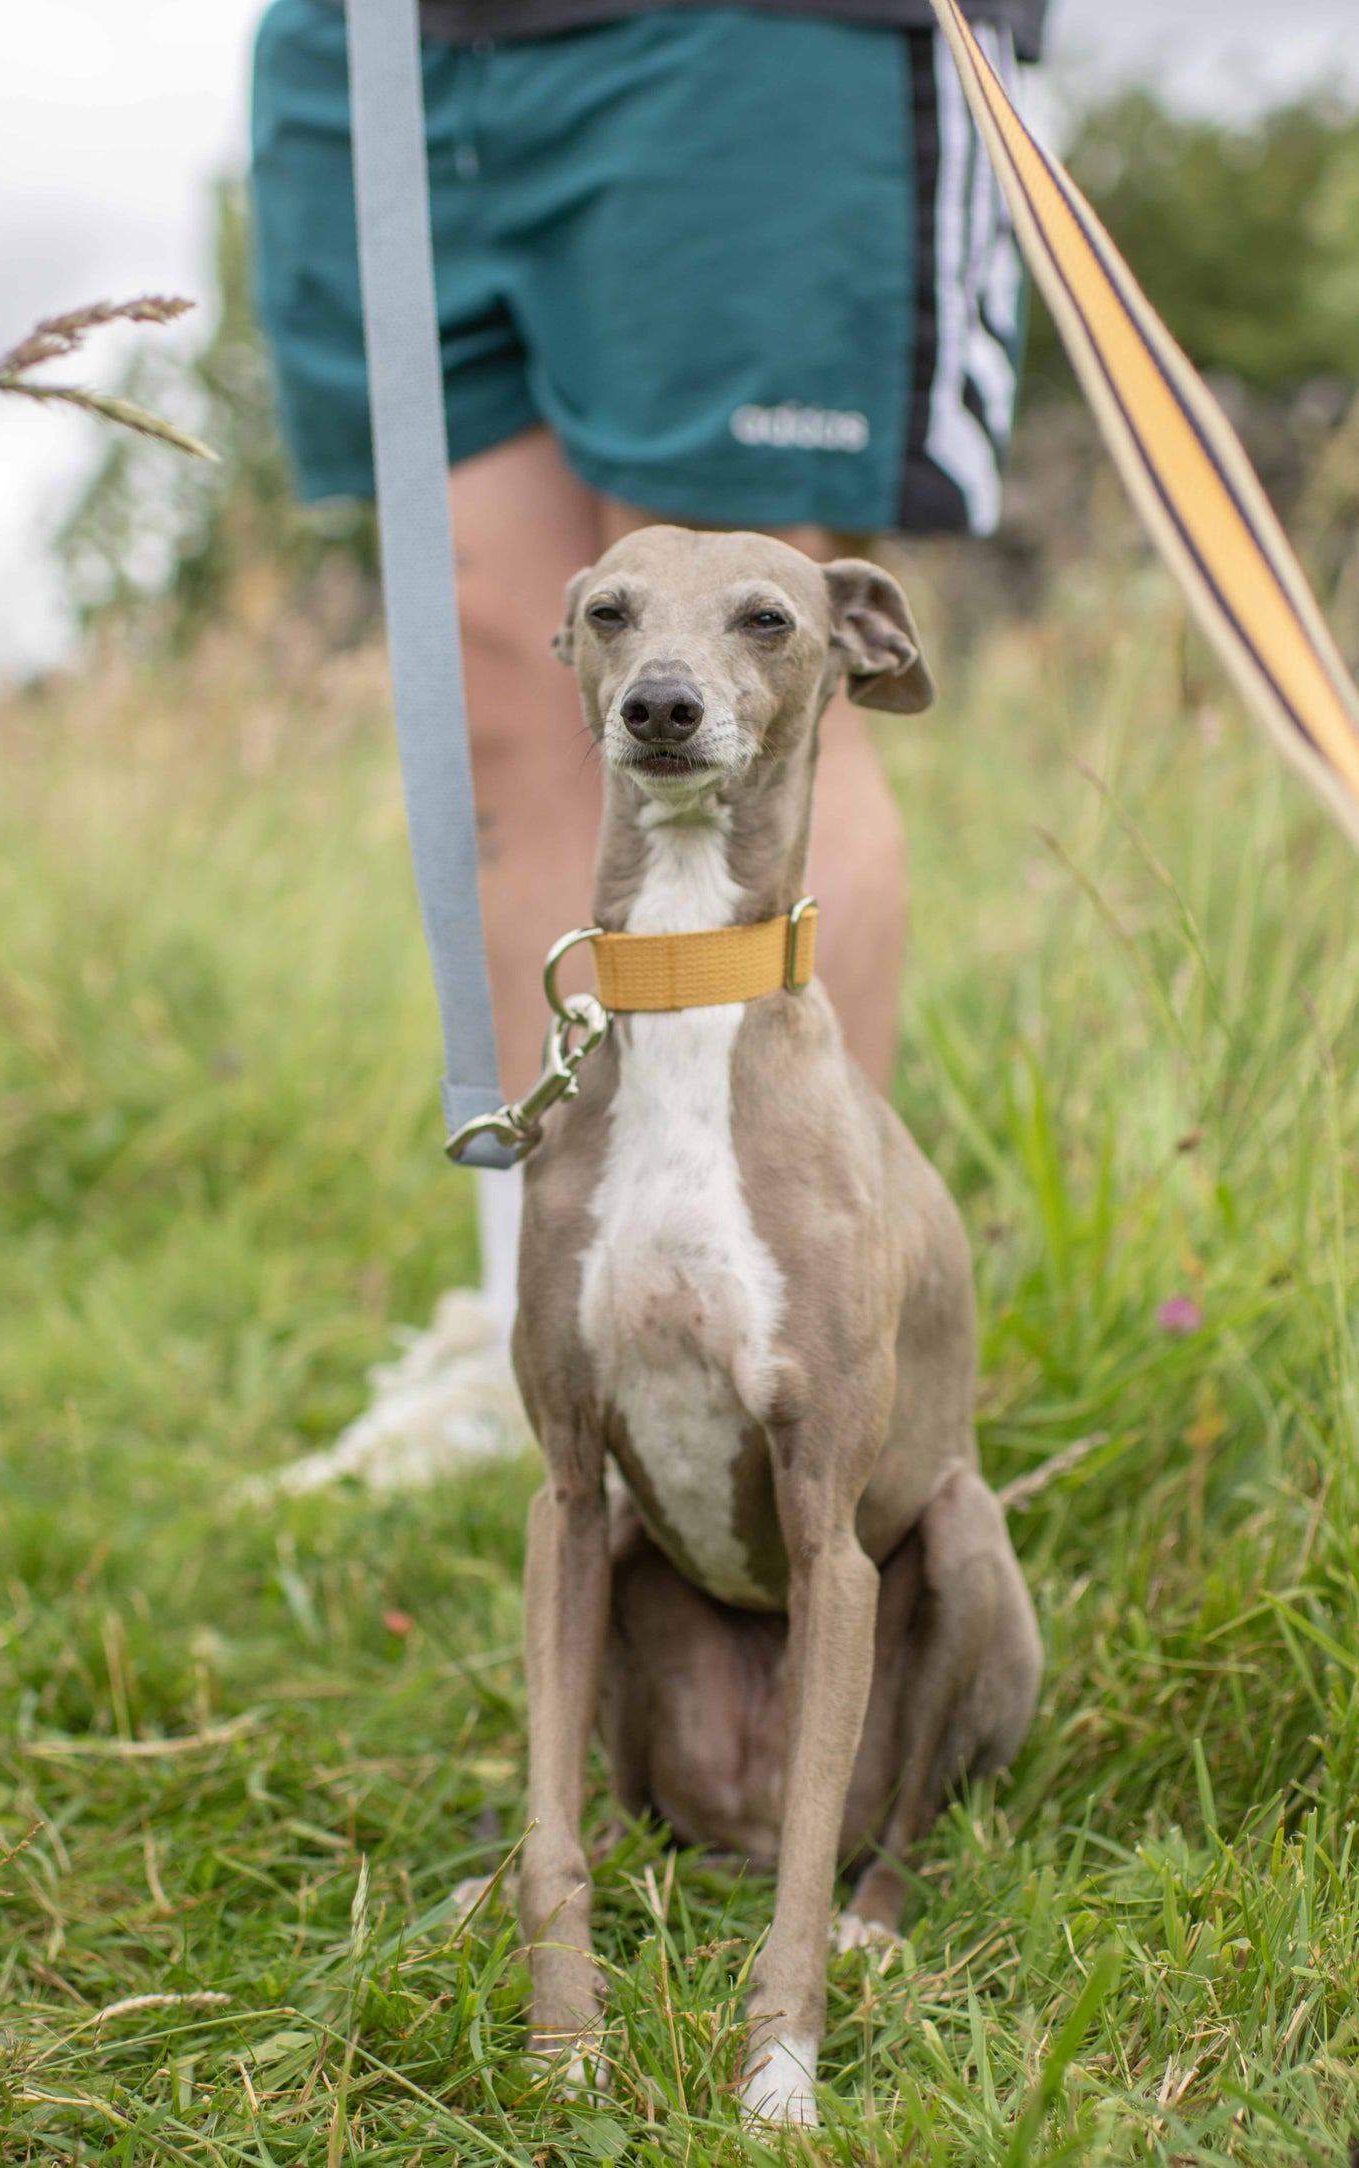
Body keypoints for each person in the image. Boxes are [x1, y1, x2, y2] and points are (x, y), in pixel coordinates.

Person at [249, 0, 1045, 1486]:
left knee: (757, 663)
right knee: (509, 669)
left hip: (744, 40)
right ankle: (547, 1333)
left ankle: (814, 1351)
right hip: (389, 45)